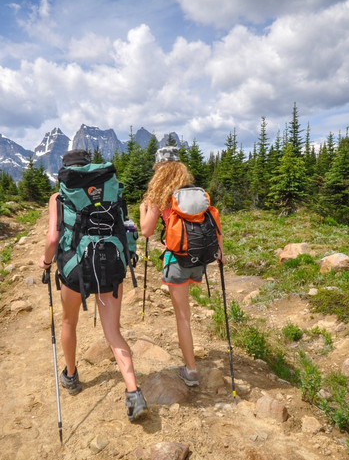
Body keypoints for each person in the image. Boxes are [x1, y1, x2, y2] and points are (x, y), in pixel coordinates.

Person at [39, 149, 148, 422]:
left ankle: (71, 376)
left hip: (75, 269)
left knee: (68, 323)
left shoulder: (59, 196)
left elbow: (53, 238)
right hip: (111, 266)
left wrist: (46, 261)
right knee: (113, 332)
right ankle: (134, 391)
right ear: (90, 166)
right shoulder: (112, 188)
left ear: (66, 170)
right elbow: (127, 226)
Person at [140, 146, 226, 387]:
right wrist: (221, 254)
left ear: (159, 170)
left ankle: (190, 371)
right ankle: (190, 364)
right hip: (200, 260)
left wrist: (143, 210)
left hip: (177, 260)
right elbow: (214, 222)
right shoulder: (197, 195)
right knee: (186, 315)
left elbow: (146, 231)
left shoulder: (161, 197)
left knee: (183, 317)